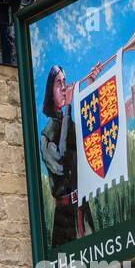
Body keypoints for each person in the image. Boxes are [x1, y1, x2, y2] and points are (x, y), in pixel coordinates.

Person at [40, 62, 103, 248]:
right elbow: (60, 161)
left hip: (82, 209)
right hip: (65, 218)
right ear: (50, 93)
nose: (64, 86)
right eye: (58, 83)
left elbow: (92, 136)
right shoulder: (46, 136)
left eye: (65, 81)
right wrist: (68, 108)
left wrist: (91, 84)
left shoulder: (70, 126)